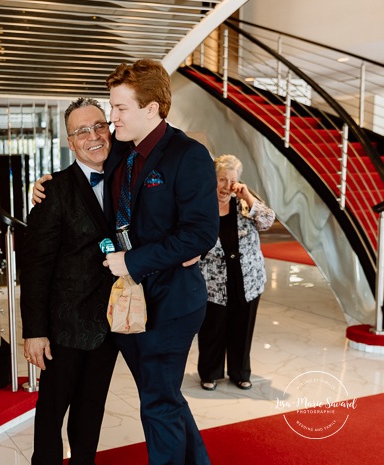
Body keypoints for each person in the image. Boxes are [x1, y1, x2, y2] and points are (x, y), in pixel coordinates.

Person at [101, 59, 218, 465]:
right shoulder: (120, 151)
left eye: (121, 108)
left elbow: (200, 233)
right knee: (163, 393)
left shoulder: (189, 155)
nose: (111, 118)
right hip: (129, 302)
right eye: (111, 106)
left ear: (152, 109)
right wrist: (45, 184)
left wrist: (133, 261)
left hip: (171, 303)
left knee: (156, 401)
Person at [20, 97, 119, 465]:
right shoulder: (53, 191)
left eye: (99, 126)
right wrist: (34, 330)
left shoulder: (128, 181)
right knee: (51, 412)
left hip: (110, 323)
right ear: (70, 141)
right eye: (82, 131)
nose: (93, 136)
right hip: (63, 328)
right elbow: (35, 267)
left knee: (91, 411)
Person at [197, 154, 275, 392]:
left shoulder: (245, 203)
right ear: (213, 179)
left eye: (232, 180)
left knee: (243, 327)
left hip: (247, 279)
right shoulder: (201, 204)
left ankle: (241, 373)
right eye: (222, 179)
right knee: (212, 328)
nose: (227, 186)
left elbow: (268, 221)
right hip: (213, 280)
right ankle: (210, 372)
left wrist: (248, 196)